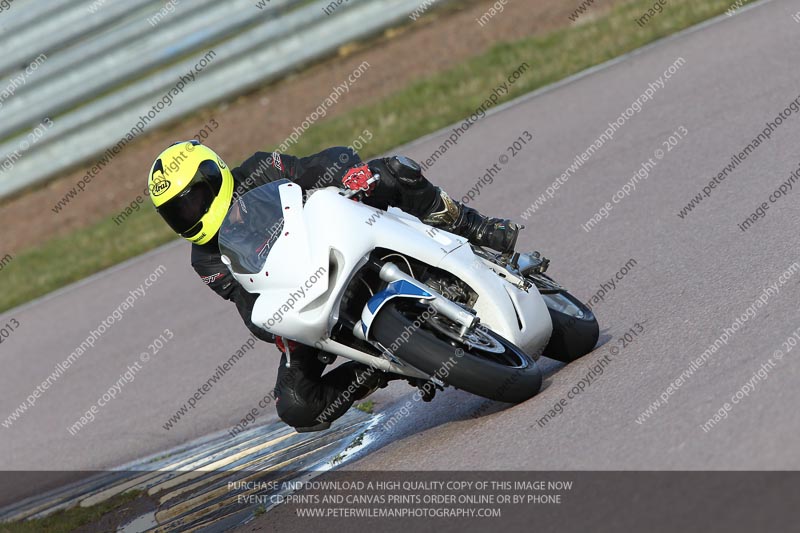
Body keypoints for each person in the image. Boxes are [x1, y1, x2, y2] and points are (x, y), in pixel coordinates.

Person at [148, 140, 519, 432]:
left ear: (212, 178)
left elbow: (320, 164)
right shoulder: (205, 259)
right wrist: (283, 329)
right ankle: (384, 365)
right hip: (306, 298)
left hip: (339, 244)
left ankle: (473, 225)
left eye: (192, 200)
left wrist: (350, 175)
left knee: (393, 171)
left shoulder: (261, 169)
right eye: (176, 212)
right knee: (296, 404)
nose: (189, 215)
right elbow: (250, 307)